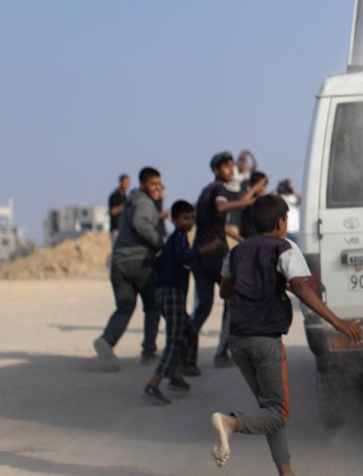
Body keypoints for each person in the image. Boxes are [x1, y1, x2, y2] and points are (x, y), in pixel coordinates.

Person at [209, 195, 362, 476]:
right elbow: (302, 287)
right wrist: (338, 322)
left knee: (270, 407)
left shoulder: (237, 251)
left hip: (238, 340)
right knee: (277, 413)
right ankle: (231, 423)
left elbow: (225, 290)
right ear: (281, 222)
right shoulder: (285, 247)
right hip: (265, 339)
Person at [190, 152, 263, 376]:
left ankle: (185, 357)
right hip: (214, 256)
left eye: (232, 165)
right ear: (216, 170)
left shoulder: (205, 191)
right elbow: (222, 208)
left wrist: (240, 239)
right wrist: (246, 202)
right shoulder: (219, 190)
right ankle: (221, 354)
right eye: (226, 166)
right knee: (232, 300)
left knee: (202, 308)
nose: (231, 170)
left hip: (200, 256)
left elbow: (218, 224)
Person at [143, 200, 222, 404]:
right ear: (174, 220)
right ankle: (153, 384)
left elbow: (158, 263)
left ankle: (177, 375)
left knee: (188, 330)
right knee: (176, 338)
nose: (190, 222)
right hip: (171, 293)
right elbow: (183, 257)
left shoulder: (177, 239)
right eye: (185, 218)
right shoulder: (178, 237)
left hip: (169, 292)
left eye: (192, 218)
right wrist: (206, 249)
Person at [94, 167, 167, 369]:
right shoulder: (144, 203)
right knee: (153, 306)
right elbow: (140, 223)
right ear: (143, 184)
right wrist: (160, 243)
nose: (157, 188)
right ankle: (149, 353)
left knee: (125, 307)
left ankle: (106, 341)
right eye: (153, 184)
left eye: (159, 184)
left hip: (118, 261)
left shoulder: (129, 202)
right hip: (139, 260)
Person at [212, 170, 269, 368]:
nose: (264, 189)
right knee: (234, 305)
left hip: (257, 256)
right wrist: (243, 241)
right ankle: (221, 353)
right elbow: (228, 223)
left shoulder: (259, 204)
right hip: (248, 258)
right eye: (263, 185)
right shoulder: (246, 202)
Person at [276, 179, 301, 243]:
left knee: (296, 247)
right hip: (285, 229)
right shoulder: (280, 197)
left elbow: (300, 201)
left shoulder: (293, 197)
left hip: (295, 229)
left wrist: (292, 189)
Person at [108, 174, 130, 240]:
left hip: (125, 229)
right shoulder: (114, 196)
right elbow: (112, 211)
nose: (127, 185)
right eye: (126, 183)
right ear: (121, 182)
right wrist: (124, 206)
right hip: (116, 229)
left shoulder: (126, 197)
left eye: (128, 183)